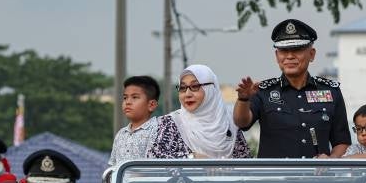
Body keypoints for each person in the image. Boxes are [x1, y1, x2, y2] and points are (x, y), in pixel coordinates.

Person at [234, 19, 351, 159]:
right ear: (277, 56)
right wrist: (243, 99)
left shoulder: (331, 91)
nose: (289, 56)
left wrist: (330, 161)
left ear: (312, 54)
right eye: (283, 51)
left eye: (297, 50)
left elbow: (342, 141)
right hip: (273, 173)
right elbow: (242, 122)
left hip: (317, 173)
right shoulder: (263, 91)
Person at [147, 65, 251, 159]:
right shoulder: (169, 123)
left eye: (195, 86)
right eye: (182, 88)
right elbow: (153, 159)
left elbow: (245, 164)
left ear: (211, 89)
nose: (187, 94)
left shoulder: (229, 123)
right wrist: (192, 157)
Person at [109, 75, 161, 167]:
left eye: (134, 97)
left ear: (151, 105)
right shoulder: (121, 134)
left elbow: (155, 167)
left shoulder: (158, 131)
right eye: (125, 98)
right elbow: (113, 166)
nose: (128, 102)